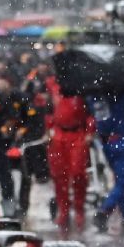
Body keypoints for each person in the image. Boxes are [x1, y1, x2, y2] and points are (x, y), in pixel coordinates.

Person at [90, 89, 124, 232]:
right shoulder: (120, 93)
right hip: (123, 140)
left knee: (120, 181)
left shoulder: (93, 94)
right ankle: (104, 211)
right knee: (123, 182)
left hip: (107, 144)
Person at [47, 91, 92, 234]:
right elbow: (48, 111)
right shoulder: (53, 87)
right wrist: (49, 129)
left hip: (77, 135)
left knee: (79, 173)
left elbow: (90, 113)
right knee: (59, 176)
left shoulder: (81, 89)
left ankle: (79, 209)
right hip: (59, 135)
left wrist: (90, 131)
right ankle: (64, 210)